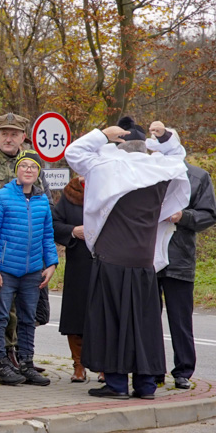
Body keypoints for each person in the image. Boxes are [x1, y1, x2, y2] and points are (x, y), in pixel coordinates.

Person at [65, 121, 189, 400]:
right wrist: (166, 135)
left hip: (112, 258)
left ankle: (117, 384)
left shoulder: (106, 168)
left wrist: (101, 135)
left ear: (118, 145)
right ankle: (145, 385)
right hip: (144, 260)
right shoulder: (160, 170)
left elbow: (73, 153)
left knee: (111, 320)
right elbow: (177, 155)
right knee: (144, 324)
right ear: (145, 146)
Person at [0, 113, 51, 374]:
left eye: (14, 133)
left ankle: (10, 352)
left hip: (17, 247)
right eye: (4, 133)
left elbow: (44, 201)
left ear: (23, 137)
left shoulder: (32, 162)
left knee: (13, 306)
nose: (8, 138)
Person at [0, 150, 57, 386]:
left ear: (38, 173)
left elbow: (47, 235)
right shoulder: (1, 197)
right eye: (24, 166)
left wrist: (52, 263)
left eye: (33, 167)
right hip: (5, 270)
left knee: (27, 319)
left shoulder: (42, 199)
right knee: (0, 317)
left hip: (33, 271)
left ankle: (26, 363)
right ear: (17, 170)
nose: (28, 170)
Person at [156, 157, 216, 389]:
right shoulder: (148, 172)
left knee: (180, 319)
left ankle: (183, 371)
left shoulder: (198, 176)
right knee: (148, 318)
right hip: (147, 257)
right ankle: (153, 369)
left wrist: (184, 216)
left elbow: (209, 215)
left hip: (179, 259)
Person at [52, 175, 93, 383]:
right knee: (76, 313)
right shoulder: (70, 193)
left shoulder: (111, 186)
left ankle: (105, 365)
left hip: (106, 261)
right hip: (78, 262)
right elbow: (55, 223)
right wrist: (73, 231)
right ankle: (78, 364)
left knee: (103, 314)